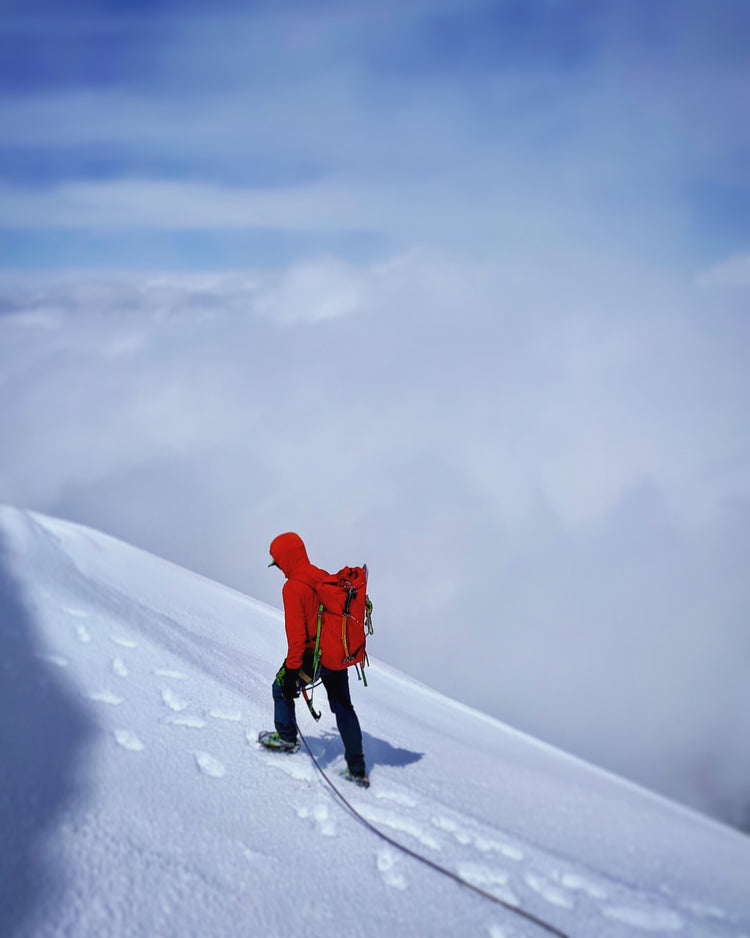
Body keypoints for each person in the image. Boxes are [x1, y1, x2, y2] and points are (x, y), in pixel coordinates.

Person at [258, 532, 369, 787]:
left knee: (279, 689)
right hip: (335, 654)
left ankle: (286, 739)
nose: (279, 569)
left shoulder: (292, 588)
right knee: (343, 706)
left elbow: (297, 639)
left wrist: (290, 674)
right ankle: (357, 768)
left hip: (313, 657)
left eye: (278, 563)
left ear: (285, 559)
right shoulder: (320, 574)